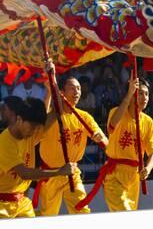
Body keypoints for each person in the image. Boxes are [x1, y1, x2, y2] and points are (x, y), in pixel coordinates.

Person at [0, 95, 75, 219]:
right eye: (32, 128)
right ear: (19, 119)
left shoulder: (30, 133)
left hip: (21, 202)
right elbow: (25, 173)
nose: (34, 132)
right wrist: (59, 171)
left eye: (36, 128)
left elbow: (54, 115)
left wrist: (53, 93)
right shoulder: (4, 142)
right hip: (0, 205)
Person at [78, 71, 153, 211]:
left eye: (146, 94)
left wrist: (148, 168)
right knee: (125, 212)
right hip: (114, 174)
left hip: (134, 177)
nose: (144, 97)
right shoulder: (116, 111)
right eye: (140, 93)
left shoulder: (148, 122)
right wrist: (129, 93)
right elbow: (111, 127)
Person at [36, 73, 108, 216]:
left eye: (79, 88)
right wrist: (50, 92)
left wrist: (100, 138)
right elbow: (40, 125)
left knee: (82, 212)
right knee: (47, 216)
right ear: (62, 92)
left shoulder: (84, 117)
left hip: (72, 173)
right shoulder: (53, 115)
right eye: (72, 88)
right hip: (51, 174)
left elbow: (106, 142)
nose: (77, 92)